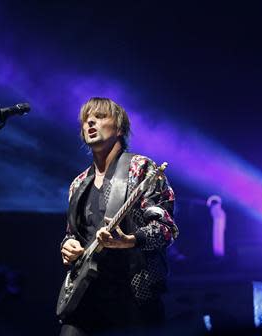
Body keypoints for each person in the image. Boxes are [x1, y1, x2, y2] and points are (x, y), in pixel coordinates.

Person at [59, 97, 179, 335]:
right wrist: (68, 246)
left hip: (132, 298)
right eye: (86, 119)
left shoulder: (142, 169)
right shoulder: (78, 184)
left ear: (120, 128)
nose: (90, 122)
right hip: (84, 297)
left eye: (101, 116)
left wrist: (130, 240)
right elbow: (72, 234)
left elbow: (166, 228)